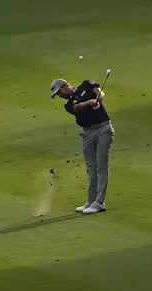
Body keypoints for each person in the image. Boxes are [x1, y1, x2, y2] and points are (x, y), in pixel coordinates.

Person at [51, 77, 114, 214]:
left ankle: (99, 203)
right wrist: (90, 103)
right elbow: (77, 107)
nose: (60, 95)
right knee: (91, 168)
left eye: (59, 92)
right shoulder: (68, 105)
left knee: (101, 165)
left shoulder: (86, 84)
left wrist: (98, 99)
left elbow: (100, 92)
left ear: (65, 85)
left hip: (104, 129)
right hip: (87, 134)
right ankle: (91, 201)